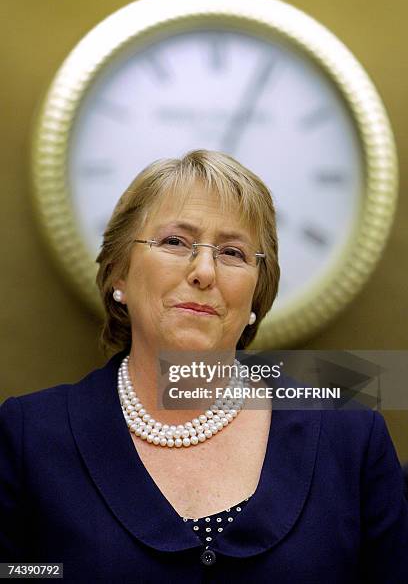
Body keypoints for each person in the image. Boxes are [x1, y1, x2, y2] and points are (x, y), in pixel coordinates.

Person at [0, 149, 407, 583]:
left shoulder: (352, 437)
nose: (204, 271)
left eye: (233, 252)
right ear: (120, 272)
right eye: (175, 242)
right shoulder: (29, 437)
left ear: (257, 293)